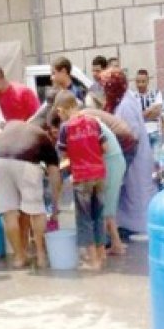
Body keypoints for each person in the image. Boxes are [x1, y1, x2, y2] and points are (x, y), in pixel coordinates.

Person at [0, 122, 61, 268]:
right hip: (26, 164)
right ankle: (41, 256)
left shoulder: (12, 124)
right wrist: (56, 205)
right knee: (36, 210)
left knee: (9, 214)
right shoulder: (43, 137)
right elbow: (54, 174)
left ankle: (19, 257)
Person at [55, 90, 108, 271]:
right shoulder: (93, 122)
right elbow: (105, 147)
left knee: (84, 218)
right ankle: (101, 254)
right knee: (98, 215)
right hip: (99, 174)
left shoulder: (66, 128)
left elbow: (63, 153)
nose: (60, 117)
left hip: (81, 177)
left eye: (60, 113)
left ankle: (93, 261)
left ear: (64, 109)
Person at [100, 68, 157, 236]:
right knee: (133, 194)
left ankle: (140, 229)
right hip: (135, 155)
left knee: (137, 194)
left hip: (135, 156)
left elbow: (132, 135)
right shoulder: (126, 98)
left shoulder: (125, 104)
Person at [76, 108, 138, 256]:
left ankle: (99, 252)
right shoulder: (88, 117)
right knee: (108, 208)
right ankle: (116, 245)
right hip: (116, 159)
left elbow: (102, 147)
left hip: (111, 161)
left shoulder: (84, 122)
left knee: (103, 209)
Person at [133, 69, 163, 149]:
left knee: (157, 159)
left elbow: (157, 112)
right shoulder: (132, 97)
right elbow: (135, 117)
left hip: (155, 132)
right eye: (138, 82)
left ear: (148, 81)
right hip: (140, 134)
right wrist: (151, 108)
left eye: (143, 81)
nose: (140, 84)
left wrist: (142, 115)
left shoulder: (156, 93)